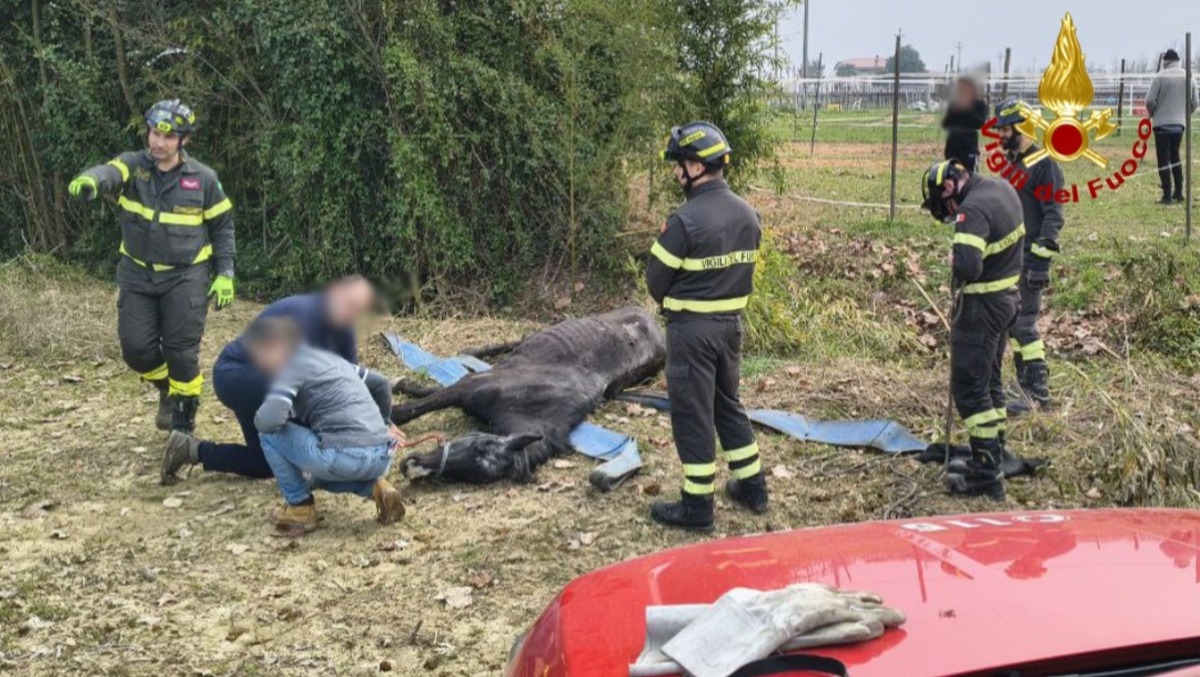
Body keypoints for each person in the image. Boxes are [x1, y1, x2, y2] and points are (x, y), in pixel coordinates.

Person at [68, 99, 235, 435]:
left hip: (186, 277)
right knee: (136, 349)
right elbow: (110, 171)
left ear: (183, 140)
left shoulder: (203, 179)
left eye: (168, 136)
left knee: (181, 352)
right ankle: (167, 390)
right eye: (154, 134)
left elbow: (222, 227)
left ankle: (183, 432)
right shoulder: (135, 166)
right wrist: (91, 180)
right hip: (137, 274)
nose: (158, 142)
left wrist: (226, 274)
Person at [645, 121, 764, 531]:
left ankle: (697, 507)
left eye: (679, 164)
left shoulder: (683, 222)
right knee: (727, 405)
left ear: (696, 166)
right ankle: (753, 486)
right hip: (731, 330)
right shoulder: (749, 214)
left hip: (692, 333)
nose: (676, 173)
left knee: (694, 415)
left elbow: (654, 281)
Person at [160, 276, 376, 484]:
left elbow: (350, 380)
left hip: (266, 381)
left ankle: (191, 450)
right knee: (309, 410)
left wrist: (383, 423)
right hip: (237, 373)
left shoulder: (344, 329)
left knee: (265, 464)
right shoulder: (305, 315)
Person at [921, 159, 1025, 500]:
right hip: (1008, 300)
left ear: (949, 188)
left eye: (942, 201)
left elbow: (967, 265)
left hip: (982, 307)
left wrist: (957, 258)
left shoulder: (972, 210)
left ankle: (985, 475)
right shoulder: (1001, 188)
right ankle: (997, 454)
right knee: (990, 381)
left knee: (968, 387)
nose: (947, 210)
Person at [242, 316, 405, 532]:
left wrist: (259, 412)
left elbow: (270, 422)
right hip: (382, 457)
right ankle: (377, 489)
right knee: (316, 479)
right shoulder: (333, 361)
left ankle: (299, 509)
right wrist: (385, 424)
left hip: (344, 454)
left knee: (268, 436)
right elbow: (381, 384)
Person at [992, 98, 1064, 413]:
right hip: (1010, 258)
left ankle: (1038, 391)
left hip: (1031, 259)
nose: (1001, 135)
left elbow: (1053, 214)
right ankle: (1024, 382)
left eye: (1006, 129)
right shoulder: (1012, 164)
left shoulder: (1045, 164)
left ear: (1023, 128)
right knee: (1012, 323)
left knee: (1024, 324)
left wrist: (1041, 261)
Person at [1146, 49, 1199, 205]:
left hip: (1162, 125)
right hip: (1179, 125)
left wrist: (1155, 113)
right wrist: (1183, 114)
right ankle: (1179, 192)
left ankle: (1167, 194)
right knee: (1175, 157)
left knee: (1163, 160)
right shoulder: (1188, 75)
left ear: (1166, 61)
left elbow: (1150, 100)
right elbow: (1195, 101)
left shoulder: (1160, 76)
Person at [941, 76, 989, 173]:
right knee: (952, 174)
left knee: (970, 175)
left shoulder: (980, 105)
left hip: (969, 146)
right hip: (952, 145)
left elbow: (979, 123)